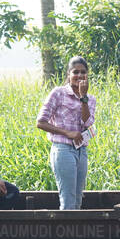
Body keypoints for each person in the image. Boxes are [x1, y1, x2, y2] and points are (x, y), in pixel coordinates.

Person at [36, 56, 96, 210]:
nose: (80, 76)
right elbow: (41, 122)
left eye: (83, 72)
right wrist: (67, 133)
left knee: (77, 198)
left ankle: (75, 232)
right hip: (63, 149)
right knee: (68, 199)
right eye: (75, 72)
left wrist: (83, 98)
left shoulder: (90, 99)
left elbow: (88, 123)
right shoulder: (58, 93)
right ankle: (66, 232)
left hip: (81, 150)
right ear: (68, 74)